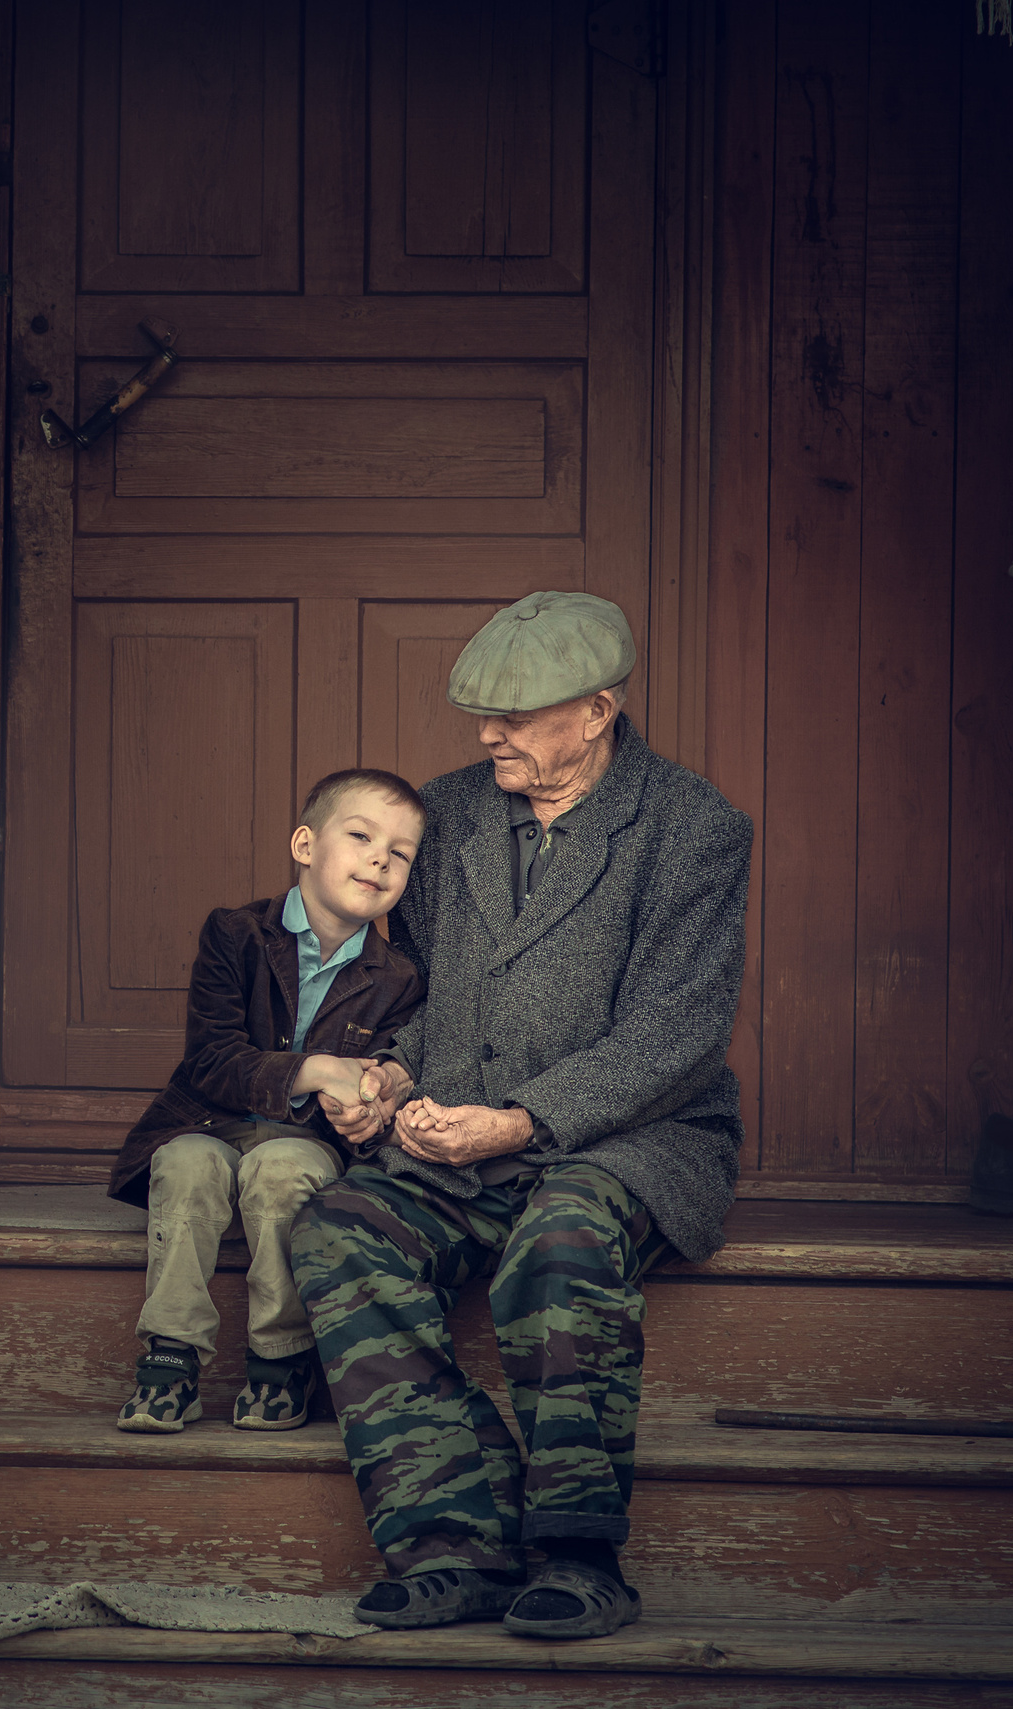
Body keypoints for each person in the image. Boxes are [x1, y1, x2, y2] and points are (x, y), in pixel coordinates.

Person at [291, 591, 752, 1641]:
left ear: (595, 711)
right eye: (480, 714)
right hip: (460, 1127)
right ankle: (454, 1540)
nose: (487, 733)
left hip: (632, 1135)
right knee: (341, 1229)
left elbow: (673, 1035)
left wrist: (523, 1121)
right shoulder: (444, 812)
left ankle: (578, 1554)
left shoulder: (692, 828)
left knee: (562, 1239)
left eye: (516, 714)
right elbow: (400, 984)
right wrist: (391, 1079)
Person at [103, 769, 427, 1433]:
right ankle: (169, 1359)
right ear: (305, 845)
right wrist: (316, 1069)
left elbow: (382, 1082)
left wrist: (363, 1110)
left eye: (400, 852)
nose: (379, 858)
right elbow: (213, 1060)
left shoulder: (398, 976)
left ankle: (279, 1361)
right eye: (361, 835)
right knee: (187, 1164)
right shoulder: (236, 935)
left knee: (283, 1168)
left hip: (303, 1141)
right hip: (210, 1120)